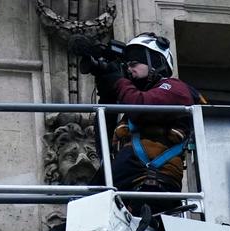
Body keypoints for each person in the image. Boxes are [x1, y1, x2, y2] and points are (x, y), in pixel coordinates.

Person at [66, 32, 205, 199]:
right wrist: (108, 95)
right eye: (126, 66)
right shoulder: (133, 109)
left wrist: (118, 81)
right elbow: (105, 142)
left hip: (152, 184)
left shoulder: (176, 88)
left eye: (134, 64)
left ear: (154, 61)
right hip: (127, 187)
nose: (129, 70)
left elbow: (142, 107)